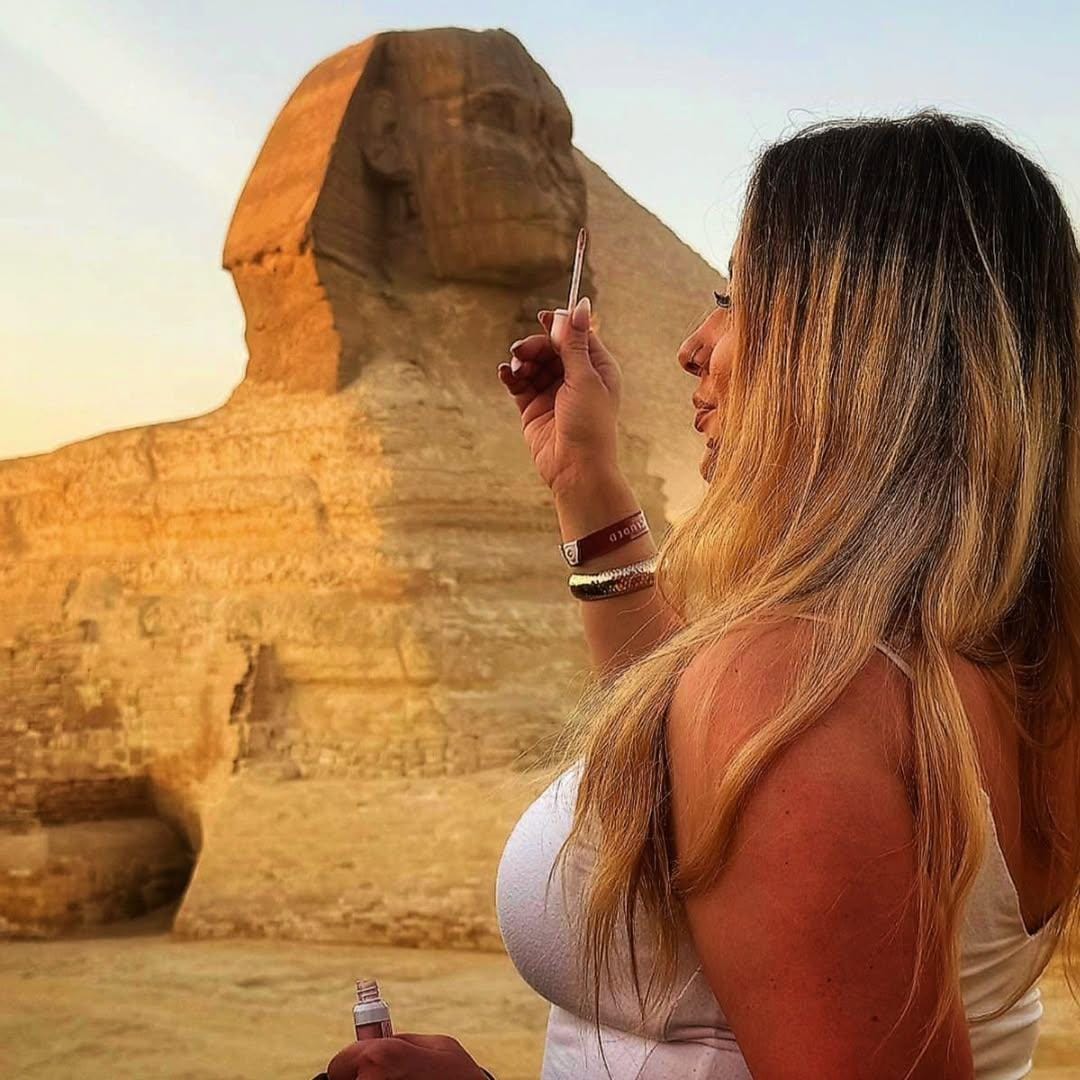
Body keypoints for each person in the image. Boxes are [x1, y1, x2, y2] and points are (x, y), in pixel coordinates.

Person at [320, 110, 1080, 1079]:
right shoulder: (998, 658)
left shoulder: (805, 684)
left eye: (735, 297)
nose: (694, 344)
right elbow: (684, 780)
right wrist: (586, 483)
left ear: (853, 346)